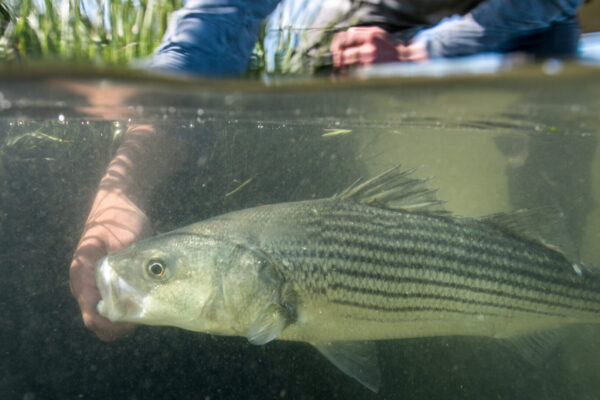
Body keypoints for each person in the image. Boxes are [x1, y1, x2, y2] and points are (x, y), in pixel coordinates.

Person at [70, 0, 587, 341]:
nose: (148, 276)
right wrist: (126, 188)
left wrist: (429, 50)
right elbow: (212, 25)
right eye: (157, 270)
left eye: (158, 270)